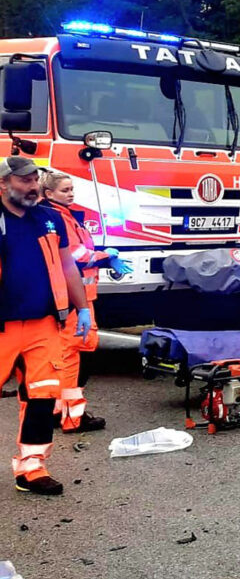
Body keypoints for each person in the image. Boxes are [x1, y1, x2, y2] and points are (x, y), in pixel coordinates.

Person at [0, 157, 91, 495]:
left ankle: (32, 468)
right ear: (4, 184)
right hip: (3, 325)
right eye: (24, 181)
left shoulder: (49, 218)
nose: (33, 186)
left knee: (41, 397)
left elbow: (67, 264)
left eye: (35, 179)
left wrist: (82, 308)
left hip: (43, 324)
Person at [40, 171, 133, 433]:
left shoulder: (63, 216)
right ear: (49, 194)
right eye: (64, 190)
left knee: (73, 355)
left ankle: (60, 412)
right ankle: (72, 418)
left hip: (77, 298)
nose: (70, 194)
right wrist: (106, 256)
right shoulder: (58, 218)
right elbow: (76, 255)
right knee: (72, 357)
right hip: (73, 300)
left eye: (71, 189)